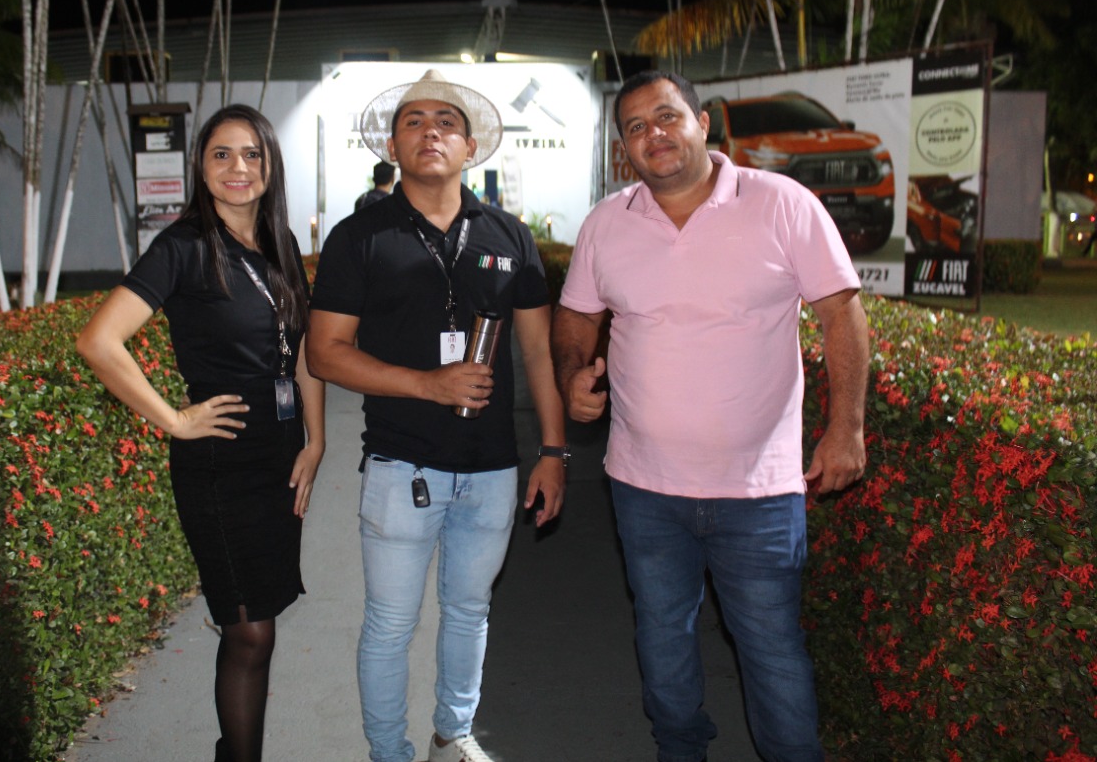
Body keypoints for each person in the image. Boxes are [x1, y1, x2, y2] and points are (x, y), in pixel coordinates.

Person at [552, 71, 869, 762]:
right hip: (643, 486)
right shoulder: (607, 223)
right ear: (624, 149)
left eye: (667, 116)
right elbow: (575, 315)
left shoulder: (782, 203)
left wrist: (846, 426)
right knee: (662, 637)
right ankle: (679, 752)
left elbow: (841, 312)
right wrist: (572, 374)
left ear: (702, 123)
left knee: (771, 647)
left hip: (759, 492)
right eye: (636, 127)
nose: (654, 134)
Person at [307, 70, 567, 762]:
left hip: (493, 469)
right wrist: (426, 384)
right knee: (391, 625)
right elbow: (325, 353)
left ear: (471, 146)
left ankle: (453, 736)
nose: (432, 132)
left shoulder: (510, 235)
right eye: (414, 121)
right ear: (393, 146)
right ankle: (388, 753)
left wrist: (553, 452)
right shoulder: (358, 237)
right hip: (401, 466)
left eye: (447, 122)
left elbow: (538, 355)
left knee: (470, 612)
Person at [76, 104, 325, 762]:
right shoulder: (183, 246)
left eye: (251, 154)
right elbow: (99, 341)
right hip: (219, 462)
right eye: (221, 154)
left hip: (279, 455)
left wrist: (316, 439)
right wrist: (174, 418)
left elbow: (303, 352)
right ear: (201, 166)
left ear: (270, 166)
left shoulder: (279, 243)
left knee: (258, 622)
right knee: (250, 631)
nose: (237, 167)